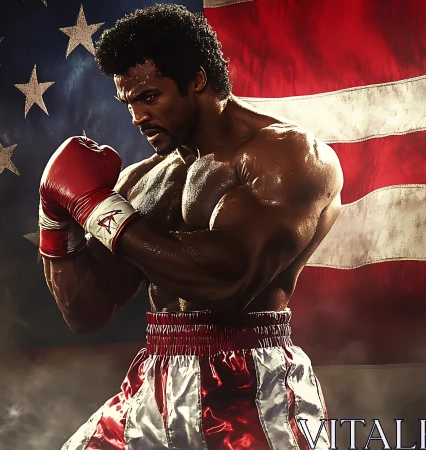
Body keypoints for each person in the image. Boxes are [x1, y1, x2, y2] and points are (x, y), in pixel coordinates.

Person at [38, 5, 343, 450]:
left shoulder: (287, 157)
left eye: (149, 97)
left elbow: (227, 284)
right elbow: (87, 311)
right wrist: (56, 221)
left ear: (196, 81)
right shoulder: (143, 180)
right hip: (156, 381)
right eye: (129, 103)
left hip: (249, 387)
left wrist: (99, 209)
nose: (137, 117)